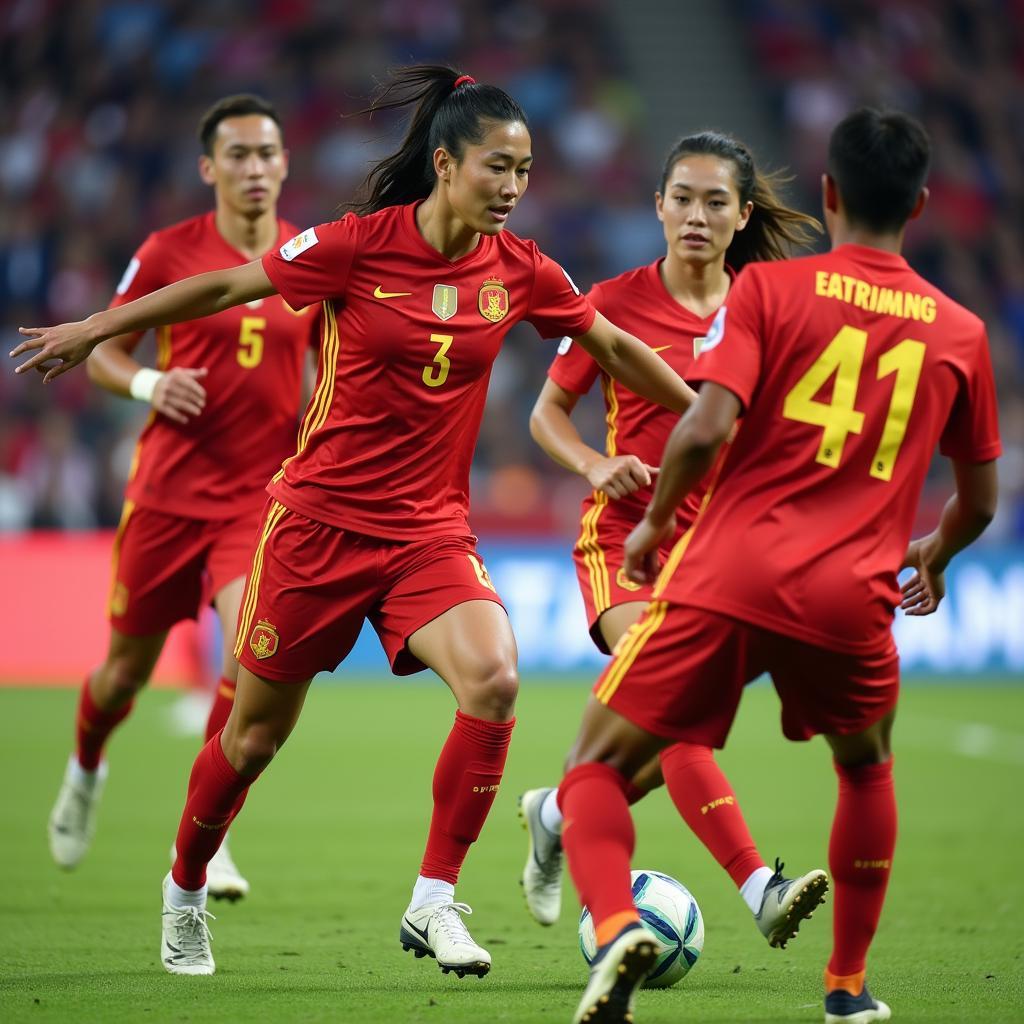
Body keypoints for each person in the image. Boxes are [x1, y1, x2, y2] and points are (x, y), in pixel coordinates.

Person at [12, 65, 698, 980]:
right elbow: (224, 288)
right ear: (447, 164)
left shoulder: (523, 270)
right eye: (498, 167)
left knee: (493, 679)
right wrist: (98, 328)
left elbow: (612, 345)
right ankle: (182, 890)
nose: (513, 188)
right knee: (251, 739)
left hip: (428, 532)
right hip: (316, 527)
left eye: (526, 171)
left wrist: (717, 423)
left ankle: (434, 901)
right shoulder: (355, 246)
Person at [553, 108, 1000, 1024]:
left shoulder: (768, 294)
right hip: (855, 595)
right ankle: (845, 989)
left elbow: (708, 423)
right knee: (866, 772)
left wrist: (656, 523)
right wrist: (937, 553)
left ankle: (612, 924)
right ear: (919, 203)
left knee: (591, 771)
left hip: (727, 572)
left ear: (827, 196)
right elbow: (981, 502)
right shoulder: (961, 333)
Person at [519, 131, 829, 946]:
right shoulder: (611, 302)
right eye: (682, 199)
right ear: (657, 206)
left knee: (649, 746)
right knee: (678, 716)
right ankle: (759, 886)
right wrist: (594, 463)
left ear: (741, 215)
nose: (696, 215)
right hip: (627, 542)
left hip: (722, 560)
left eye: (714, 202)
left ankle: (554, 811)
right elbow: (546, 414)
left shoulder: (773, 308)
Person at [44, 94, 320, 902]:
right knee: (122, 677)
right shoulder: (169, 251)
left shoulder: (306, 259)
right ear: (209, 168)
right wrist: (149, 381)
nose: (256, 168)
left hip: (254, 502)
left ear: (285, 164)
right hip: (166, 498)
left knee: (247, 655)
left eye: (267, 153)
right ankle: (85, 768)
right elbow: (101, 350)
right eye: (238, 155)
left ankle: (207, 837)